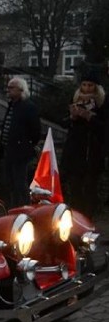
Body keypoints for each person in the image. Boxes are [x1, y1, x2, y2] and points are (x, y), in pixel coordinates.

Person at [61, 73, 105, 218]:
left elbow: (103, 128)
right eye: (84, 85)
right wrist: (72, 118)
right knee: (76, 189)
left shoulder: (102, 103)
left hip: (93, 153)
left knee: (90, 190)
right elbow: (64, 123)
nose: (87, 88)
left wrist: (90, 117)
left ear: (96, 87)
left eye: (90, 85)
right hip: (75, 153)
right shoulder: (75, 99)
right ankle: (77, 219)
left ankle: (89, 218)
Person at [0, 77, 41, 207]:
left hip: (20, 151)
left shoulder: (28, 107)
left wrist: (27, 144)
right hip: (8, 149)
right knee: (10, 181)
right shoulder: (12, 106)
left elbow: (35, 130)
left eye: (12, 88)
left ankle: (23, 206)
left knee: (20, 181)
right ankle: (13, 205)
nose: (8, 90)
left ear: (20, 90)